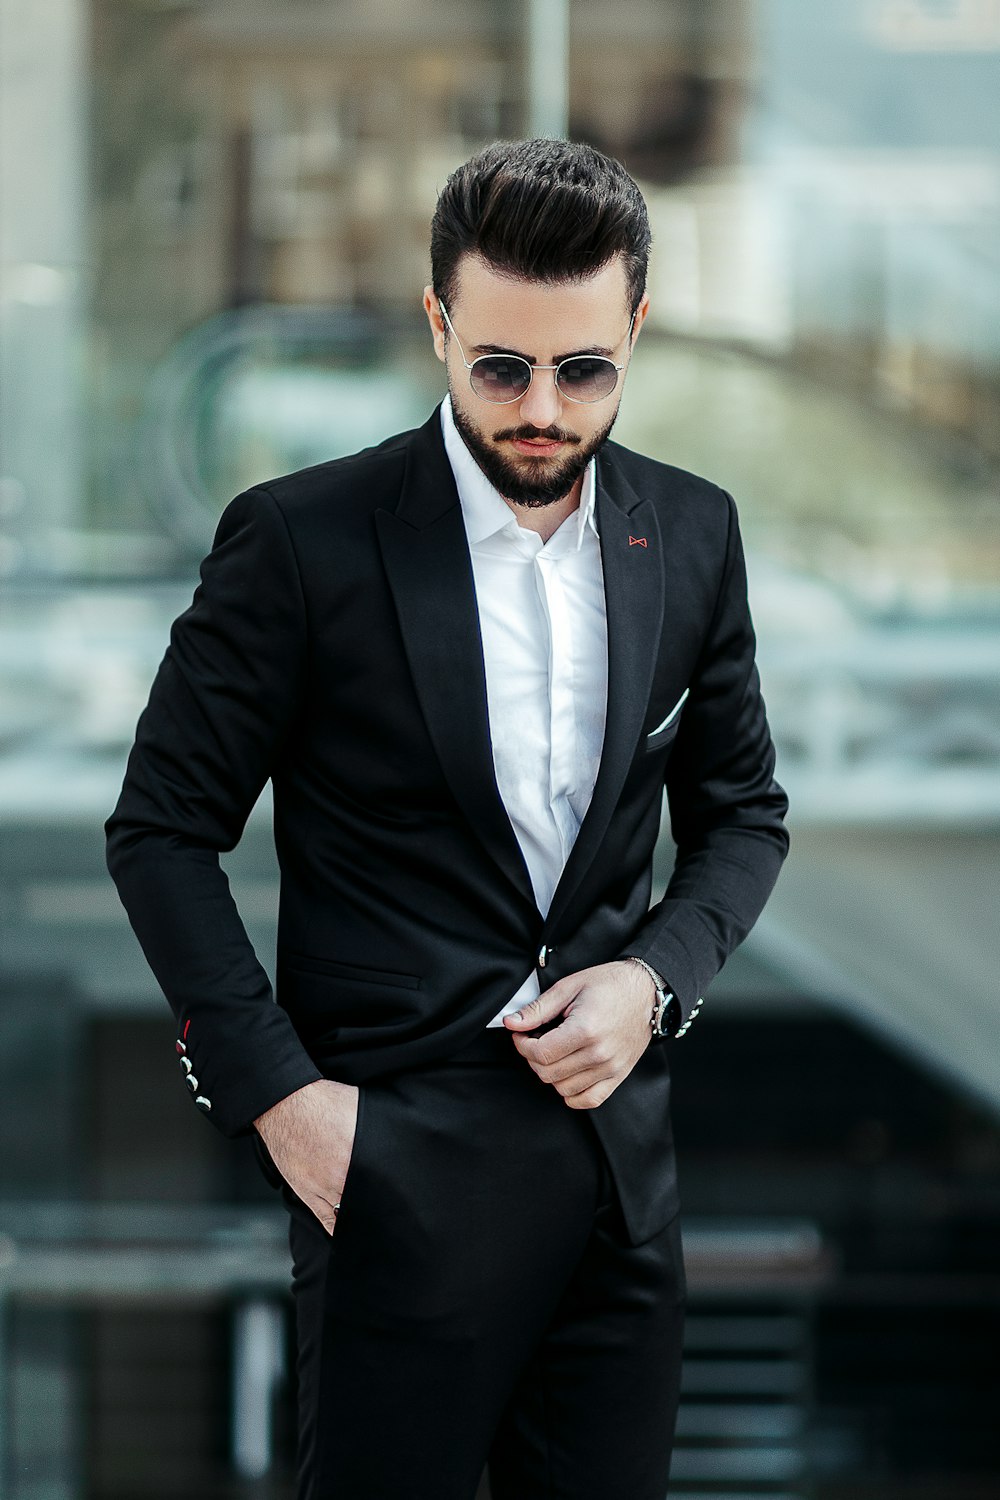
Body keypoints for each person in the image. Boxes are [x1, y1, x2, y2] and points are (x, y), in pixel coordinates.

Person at [105, 137, 789, 1500]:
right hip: (386, 1164)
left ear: (636, 332)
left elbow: (745, 816)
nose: (542, 408)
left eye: (585, 369)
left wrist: (653, 982)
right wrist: (285, 1104)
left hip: (616, 1186)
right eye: (501, 367)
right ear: (438, 325)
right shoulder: (301, 541)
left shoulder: (695, 534)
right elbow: (161, 829)